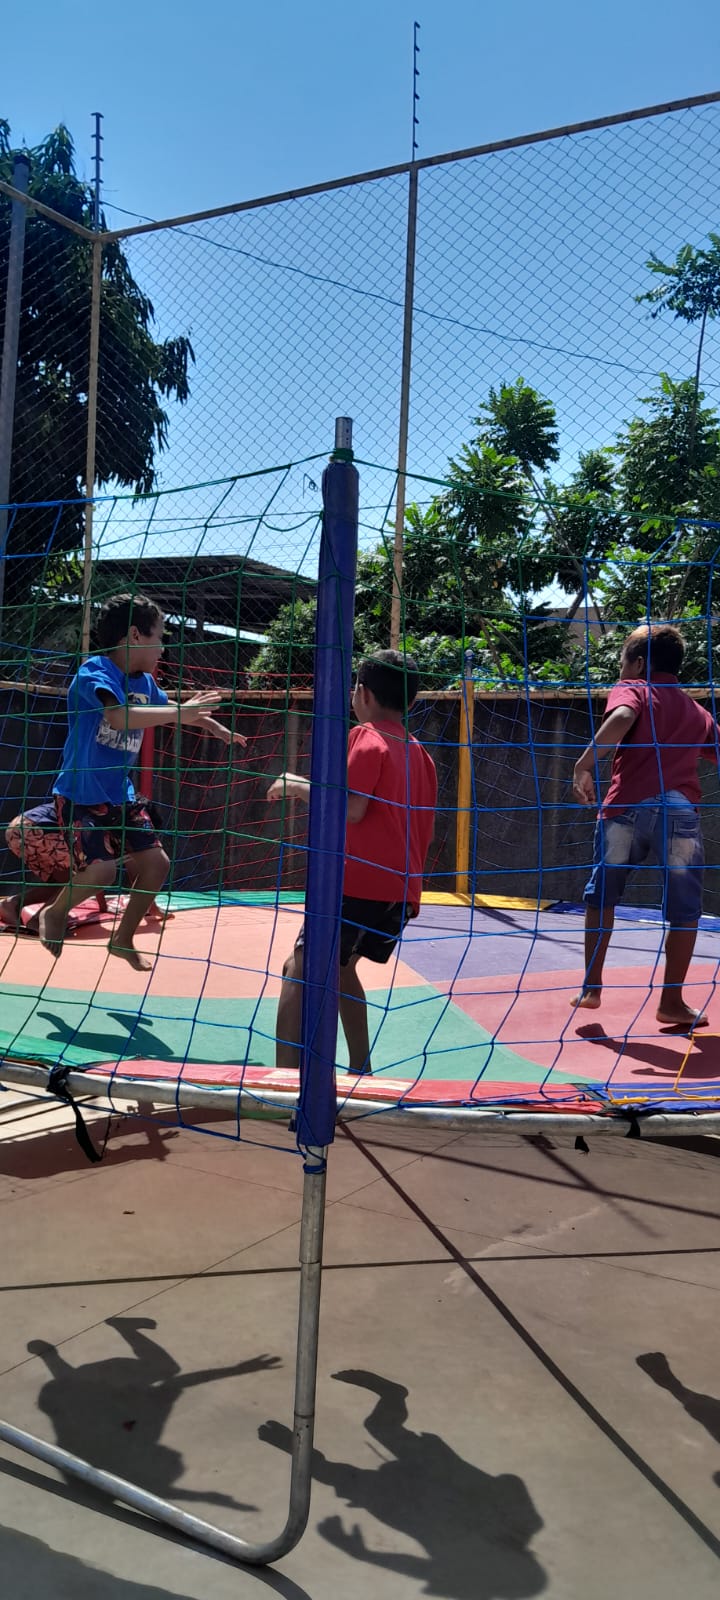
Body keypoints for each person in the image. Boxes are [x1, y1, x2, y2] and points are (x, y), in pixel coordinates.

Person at [21, 592, 245, 970]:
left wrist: (210, 725)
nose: (163, 647)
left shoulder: (145, 682)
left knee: (157, 864)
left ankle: (122, 939)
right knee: (102, 872)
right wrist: (182, 713)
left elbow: (167, 708)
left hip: (119, 796)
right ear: (135, 636)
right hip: (82, 795)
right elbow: (119, 717)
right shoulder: (95, 672)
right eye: (159, 637)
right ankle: (55, 912)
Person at [267, 649, 437, 1074]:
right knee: (341, 970)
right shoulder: (420, 753)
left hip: (356, 887)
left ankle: (283, 1079)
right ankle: (361, 1066)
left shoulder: (366, 736)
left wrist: (297, 785)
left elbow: (352, 808)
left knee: (298, 969)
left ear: (361, 693)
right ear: (411, 700)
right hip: (399, 893)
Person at [572, 623, 719, 1026]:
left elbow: (622, 716)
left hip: (627, 809)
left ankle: (591, 987)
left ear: (637, 664)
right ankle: (671, 1002)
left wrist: (584, 765)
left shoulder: (634, 688)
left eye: (623, 661)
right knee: (685, 910)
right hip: (678, 814)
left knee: (602, 895)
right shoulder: (695, 711)